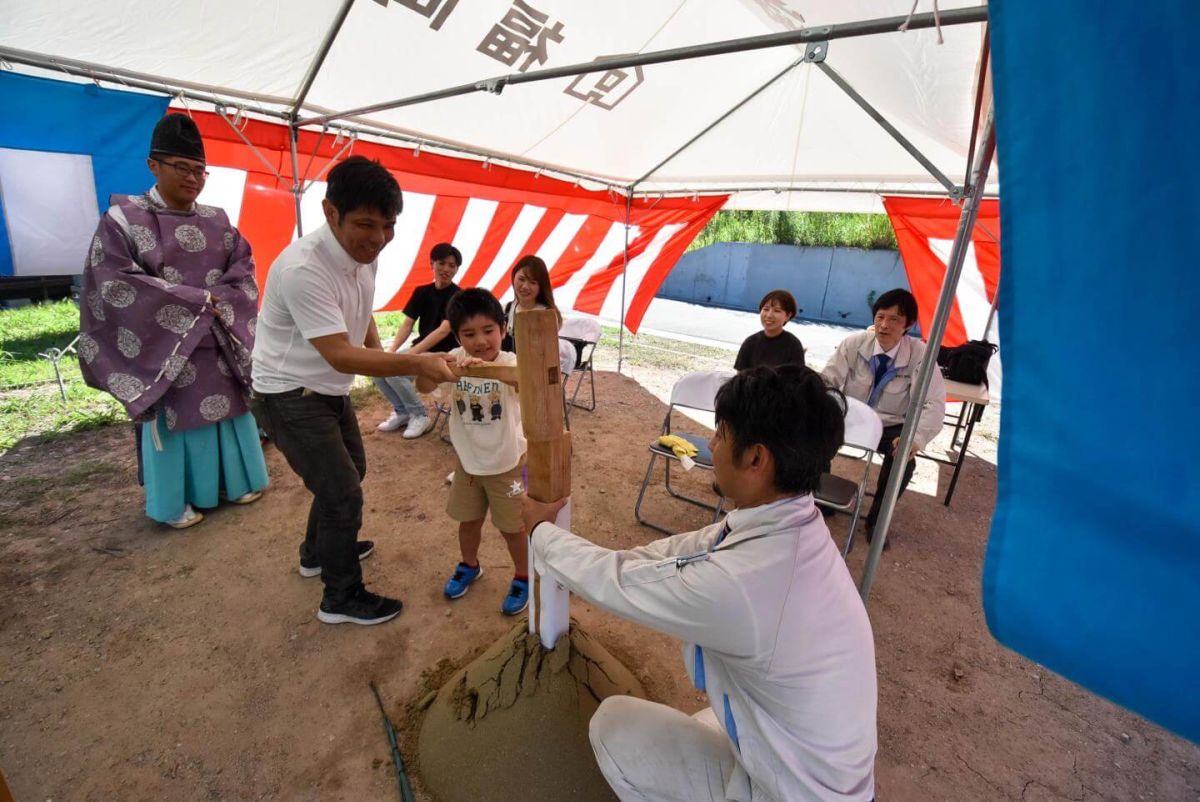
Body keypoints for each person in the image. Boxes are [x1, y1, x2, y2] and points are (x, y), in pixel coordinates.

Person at [523, 365, 877, 802]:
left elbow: (619, 587)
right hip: (818, 771)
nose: (709, 444)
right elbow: (670, 556)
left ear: (755, 458)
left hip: (790, 792)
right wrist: (570, 546)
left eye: (721, 434)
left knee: (614, 726)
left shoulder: (743, 585)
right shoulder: (793, 522)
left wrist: (541, 534)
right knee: (710, 716)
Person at [250, 156, 458, 626]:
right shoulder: (304, 267)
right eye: (366, 224)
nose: (379, 238)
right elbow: (340, 355)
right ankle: (340, 597)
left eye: (388, 226)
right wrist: (414, 361)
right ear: (330, 212)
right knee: (342, 494)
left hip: (324, 389)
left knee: (349, 474)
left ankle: (317, 552)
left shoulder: (364, 256)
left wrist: (383, 358)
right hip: (288, 394)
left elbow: (361, 314)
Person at [78, 112, 268, 530]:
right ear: (153, 165)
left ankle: (233, 483)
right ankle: (173, 502)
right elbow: (113, 284)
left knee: (231, 412)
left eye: (200, 170)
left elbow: (244, 271)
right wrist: (193, 302)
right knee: (178, 422)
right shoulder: (123, 219)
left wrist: (218, 302)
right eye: (182, 168)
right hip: (163, 347)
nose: (194, 178)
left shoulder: (219, 221)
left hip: (219, 340)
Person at [416, 288, 530, 616]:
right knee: (468, 521)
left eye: (488, 331)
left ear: (503, 330)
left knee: (512, 528)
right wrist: (430, 366)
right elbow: (424, 388)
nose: (480, 341)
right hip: (468, 464)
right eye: (469, 333)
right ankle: (470, 565)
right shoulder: (454, 361)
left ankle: (523, 576)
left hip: (507, 462)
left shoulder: (511, 362)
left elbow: (526, 383)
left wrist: (483, 369)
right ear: (457, 335)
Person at [821, 288, 945, 542]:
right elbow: (828, 382)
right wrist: (828, 413)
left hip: (890, 426)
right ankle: (821, 500)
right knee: (811, 437)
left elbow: (933, 402)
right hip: (850, 418)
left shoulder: (920, 354)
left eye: (894, 319)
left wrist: (915, 438)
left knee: (903, 461)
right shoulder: (853, 344)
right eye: (880, 317)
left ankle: (877, 521)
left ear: (908, 324)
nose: (884, 325)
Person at [375, 242, 462, 438]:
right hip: (422, 349)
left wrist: (411, 355)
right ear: (432, 264)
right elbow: (407, 325)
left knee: (395, 372)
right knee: (378, 370)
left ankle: (419, 415)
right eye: (442, 263)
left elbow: (443, 330)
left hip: (446, 354)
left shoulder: (458, 296)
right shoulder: (422, 292)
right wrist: (392, 352)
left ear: (456, 269)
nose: (446, 269)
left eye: (452, 265)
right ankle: (402, 412)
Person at [734, 289, 806, 370]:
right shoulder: (750, 342)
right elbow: (740, 378)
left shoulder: (793, 345)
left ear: (788, 316)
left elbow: (798, 379)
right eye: (766, 309)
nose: (769, 315)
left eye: (777, 311)